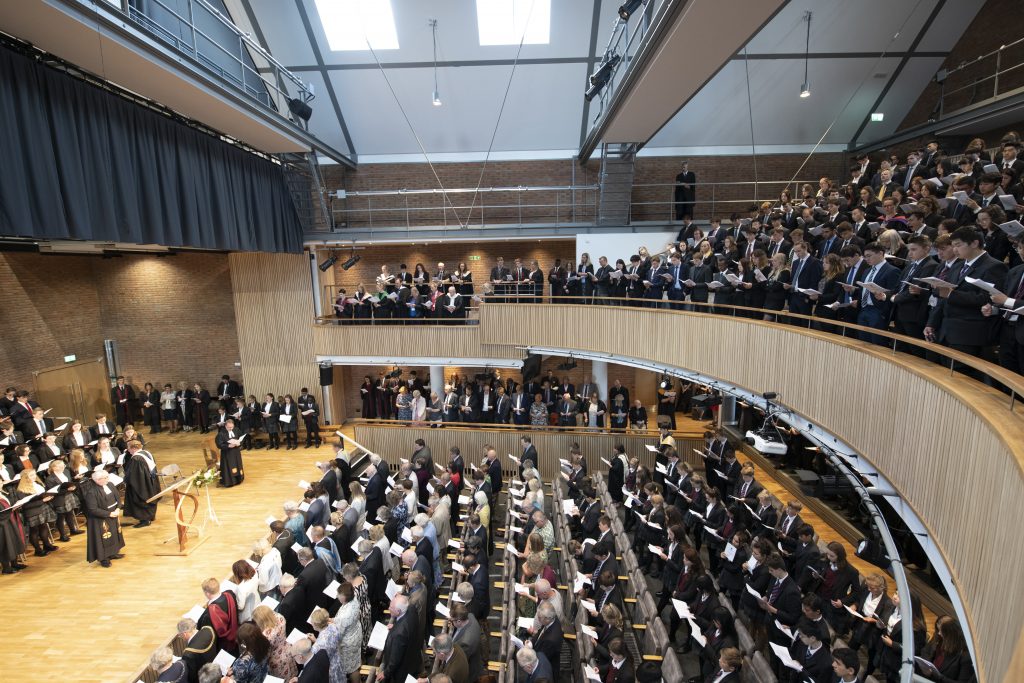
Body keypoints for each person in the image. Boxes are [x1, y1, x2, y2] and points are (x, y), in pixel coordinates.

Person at [81, 468, 125, 567]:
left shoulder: (110, 485)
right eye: (104, 478)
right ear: (96, 480)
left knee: (113, 534)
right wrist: (109, 514)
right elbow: (93, 509)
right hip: (99, 519)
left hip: (113, 514)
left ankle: (113, 552)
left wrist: (118, 508)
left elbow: (117, 497)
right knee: (102, 539)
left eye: (107, 477)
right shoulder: (91, 492)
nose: (106, 479)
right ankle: (103, 558)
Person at [376, 594, 423, 683]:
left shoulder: (399, 634)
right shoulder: (411, 608)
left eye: (391, 607)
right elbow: (406, 624)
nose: (389, 608)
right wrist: (395, 626)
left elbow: (395, 660)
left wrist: (385, 673)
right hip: (413, 656)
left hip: (402, 670)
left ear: (398, 611)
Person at [198, 576, 240, 655]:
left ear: (207, 593)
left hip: (222, 645)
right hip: (234, 636)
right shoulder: (230, 594)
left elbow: (206, 632)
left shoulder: (209, 614)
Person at [122, 439, 159, 527]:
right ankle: (150, 517)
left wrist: (125, 479)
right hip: (150, 483)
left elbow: (134, 475)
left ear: (133, 448)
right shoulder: (146, 453)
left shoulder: (136, 459)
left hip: (141, 485)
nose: (128, 450)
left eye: (128, 448)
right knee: (150, 498)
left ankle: (144, 520)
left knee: (140, 499)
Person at [216, 418, 245, 487]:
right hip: (227, 453)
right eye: (229, 427)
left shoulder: (236, 429)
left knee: (237, 464)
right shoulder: (221, 433)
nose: (231, 428)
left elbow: (241, 438)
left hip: (236, 452)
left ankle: (239, 479)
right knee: (229, 466)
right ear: (225, 426)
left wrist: (239, 443)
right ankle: (230, 482)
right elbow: (219, 444)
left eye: (232, 427)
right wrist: (228, 445)